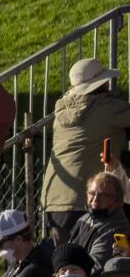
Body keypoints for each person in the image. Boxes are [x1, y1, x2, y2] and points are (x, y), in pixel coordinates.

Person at [42, 58, 130, 243]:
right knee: (98, 259)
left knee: (66, 261)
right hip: (92, 197)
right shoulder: (106, 106)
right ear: (101, 82)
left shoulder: (62, 110)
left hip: (56, 197)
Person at [69, 171, 130, 267]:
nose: (95, 200)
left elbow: (95, 268)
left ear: (118, 201)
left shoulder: (116, 228)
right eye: (92, 193)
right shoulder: (85, 218)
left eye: (104, 195)